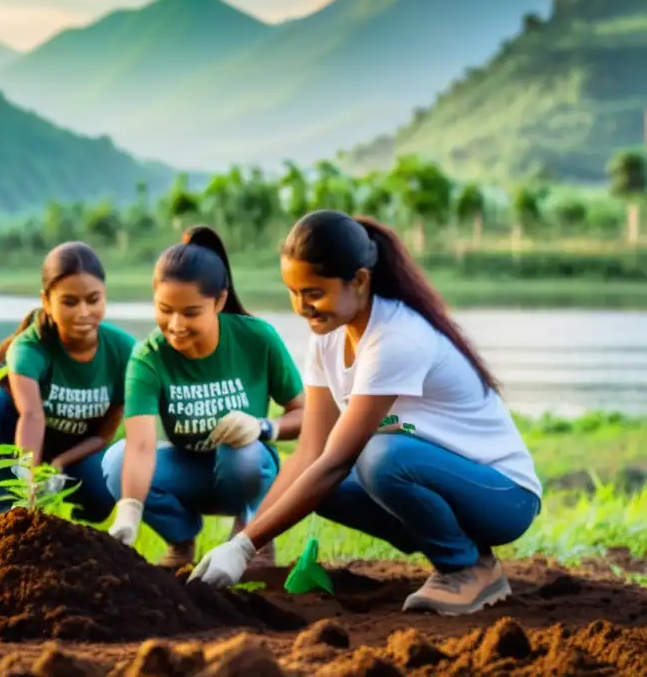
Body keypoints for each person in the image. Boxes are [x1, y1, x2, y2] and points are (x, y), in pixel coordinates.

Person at [189, 209, 543, 616]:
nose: (302, 307)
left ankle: (464, 569)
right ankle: (470, 557)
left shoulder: (396, 338)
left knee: (378, 457)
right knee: (324, 488)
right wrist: (245, 540)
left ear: (358, 280)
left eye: (314, 292)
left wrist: (243, 548)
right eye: (293, 291)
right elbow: (311, 453)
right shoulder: (327, 338)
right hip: (448, 487)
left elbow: (338, 460)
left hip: (504, 497)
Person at [103, 226, 305, 568]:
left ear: (220, 301)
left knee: (243, 453)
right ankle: (181, 542)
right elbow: (139, 446)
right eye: (165, 309)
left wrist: (262, 427)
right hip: (188, 472)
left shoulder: (257, 339)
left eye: (191, 312)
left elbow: (304, 414)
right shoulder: (149, 357)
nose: (176, 324)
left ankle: (252, 535)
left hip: (247, 469)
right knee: (115, 462)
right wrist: (130, 510)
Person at [0, 241, 135, 524]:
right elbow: (32, 417)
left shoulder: (123, 350)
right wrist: (27, 477)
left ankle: (71, 532)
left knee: (101, 496)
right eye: (69, 302)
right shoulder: (29, 348)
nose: (83, 313)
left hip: (76, 452)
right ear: (47, 301)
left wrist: (58, 465)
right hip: (19, 437)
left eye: (93, 300)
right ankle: (0, 517)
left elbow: (103, 435)